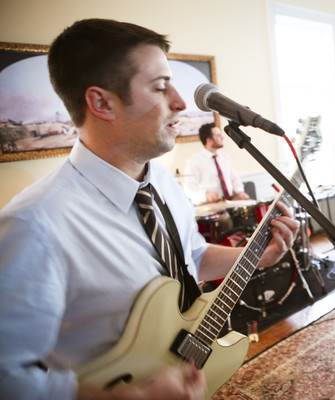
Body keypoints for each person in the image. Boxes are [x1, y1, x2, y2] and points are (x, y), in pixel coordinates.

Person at [0, 19, 299, 400]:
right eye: (160, 87)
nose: (180, 102)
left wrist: (259, 256)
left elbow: (191, 256)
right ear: (101, 102)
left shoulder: (159, 179)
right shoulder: (35, 223)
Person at [183, 122, 250, 204]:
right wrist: (206, 193)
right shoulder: (194, 161)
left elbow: (234, 178)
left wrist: (240, 192)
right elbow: (189, 188)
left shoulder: (225, 157)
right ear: (209, 140)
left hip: (229, 201)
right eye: (218, 135)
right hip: (208, 205)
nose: (222, 137)